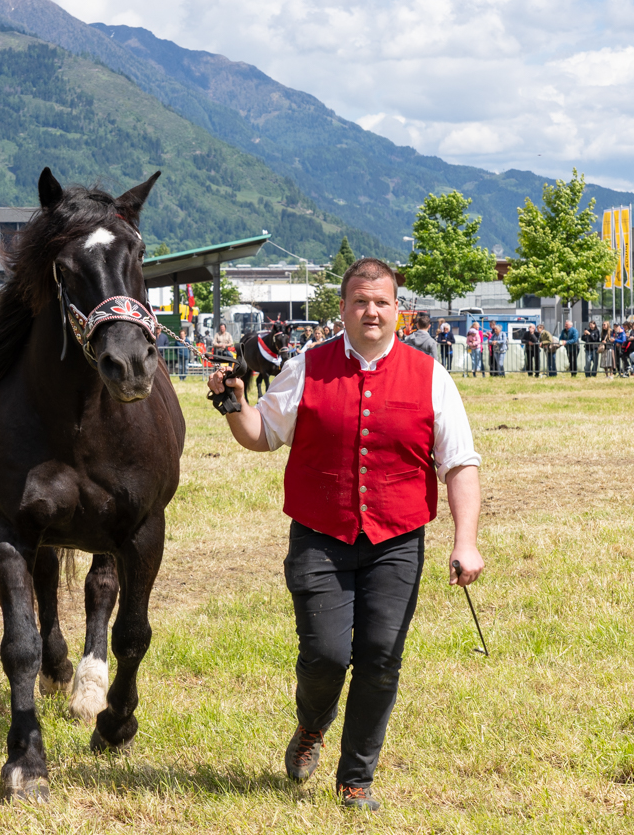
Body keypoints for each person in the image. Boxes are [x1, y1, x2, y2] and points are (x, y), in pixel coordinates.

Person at [206, 257, 482, 812]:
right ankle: (312, 724)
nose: (371, 311)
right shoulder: (307, 366)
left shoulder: (432, 377)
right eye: (360, 301)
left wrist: (465, 540)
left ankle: (356, 779)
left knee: (380, 658)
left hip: (397, 541)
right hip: (319, 536)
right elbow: (263, 435)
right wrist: (234, 403)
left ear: (398, 310)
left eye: (381, 302)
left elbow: (459, 464)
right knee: (326, 655)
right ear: (343, 308)